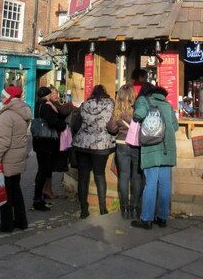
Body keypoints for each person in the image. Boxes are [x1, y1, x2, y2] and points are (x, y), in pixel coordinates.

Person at [131, 84, 178, 230]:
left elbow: (138, 115)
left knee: (150, 183)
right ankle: (162, 218)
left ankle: (146, 219)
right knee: (165, 184)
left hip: (152, 147)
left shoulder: (144, 100)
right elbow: (175, 126)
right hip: (167, 148)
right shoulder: (167, 105)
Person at [0, 85, 32, 232]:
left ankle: (6, 224)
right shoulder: (22, 111)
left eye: (3, 96)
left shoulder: (7, 115)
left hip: (7, 160)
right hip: (17, 157)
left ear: (9, 98)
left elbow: (3, 141)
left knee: (5, 193)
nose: (1, 99)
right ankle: (21, 221)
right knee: (16, 190)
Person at [71, 84, 115, 218]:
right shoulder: (110, 104)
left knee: (83, 177)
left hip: (83, 144)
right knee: (100, 175)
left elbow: (76, 124)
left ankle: (84, 209)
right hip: (101, 145)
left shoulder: (85, 104)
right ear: (105, 93)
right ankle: (103, 208)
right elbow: (111, 124)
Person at [106, 84, 142, 219]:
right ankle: (134, 207)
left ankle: (124, 209)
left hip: (121, 145)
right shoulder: (138, 110)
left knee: (124, 176)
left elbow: (112, 129)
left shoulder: (117, 111)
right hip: (136, 145)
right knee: (136, 177)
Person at [32, 87, 69, 211]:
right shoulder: (47, 106)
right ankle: (38, 199)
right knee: (43, 170)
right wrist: (63, 125)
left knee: (43, 169)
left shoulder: (38, 105)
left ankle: (41, 194)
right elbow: (53, 122)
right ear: (47, 95)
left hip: (39, 142)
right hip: (46, 142)